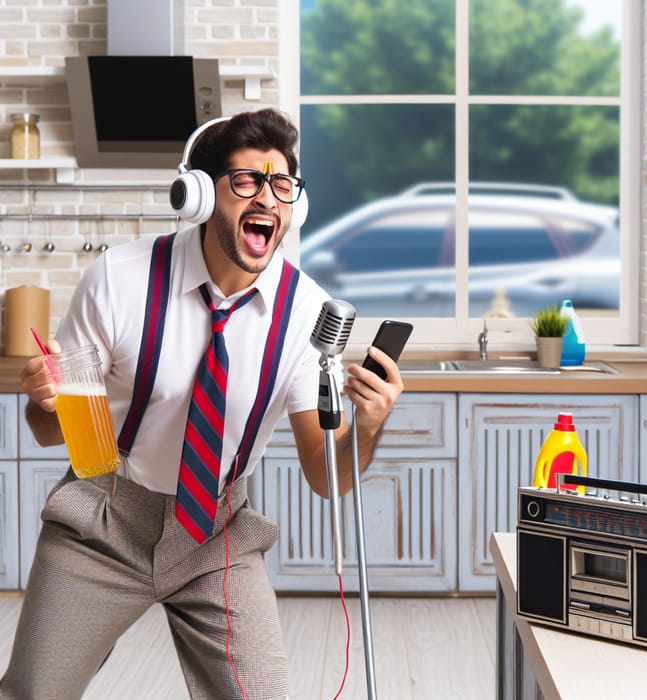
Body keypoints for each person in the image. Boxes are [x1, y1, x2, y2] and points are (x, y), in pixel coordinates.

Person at [0, 108, 404, 700]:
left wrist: (366, 426)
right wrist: (42, 399)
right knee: (33, 692)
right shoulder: (120, 277)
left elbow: (326, 476)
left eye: (281, 186)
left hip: (216, 535)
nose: (266, 198)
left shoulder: (306, 315)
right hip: (104, 519)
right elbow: (45, 429)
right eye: (245, 182)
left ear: (296, 207)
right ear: (198, 195)